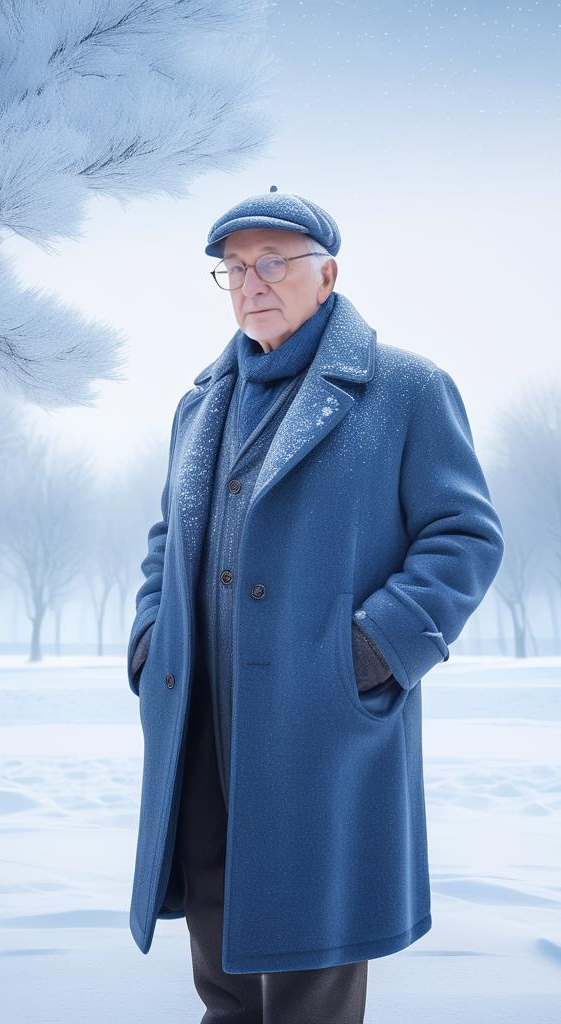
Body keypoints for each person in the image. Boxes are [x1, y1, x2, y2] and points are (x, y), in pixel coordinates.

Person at [126, 188, 504, 1023]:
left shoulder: (404, 388)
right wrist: (151, 642)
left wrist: (372, 653)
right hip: (198, 727)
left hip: (321, 725)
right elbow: (166, 540)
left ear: (326, 274)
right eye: (233, 269)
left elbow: (465, 538)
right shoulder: (199, 403)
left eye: (272, 263)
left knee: (312, 979)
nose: (251, 282)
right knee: (222, 981)